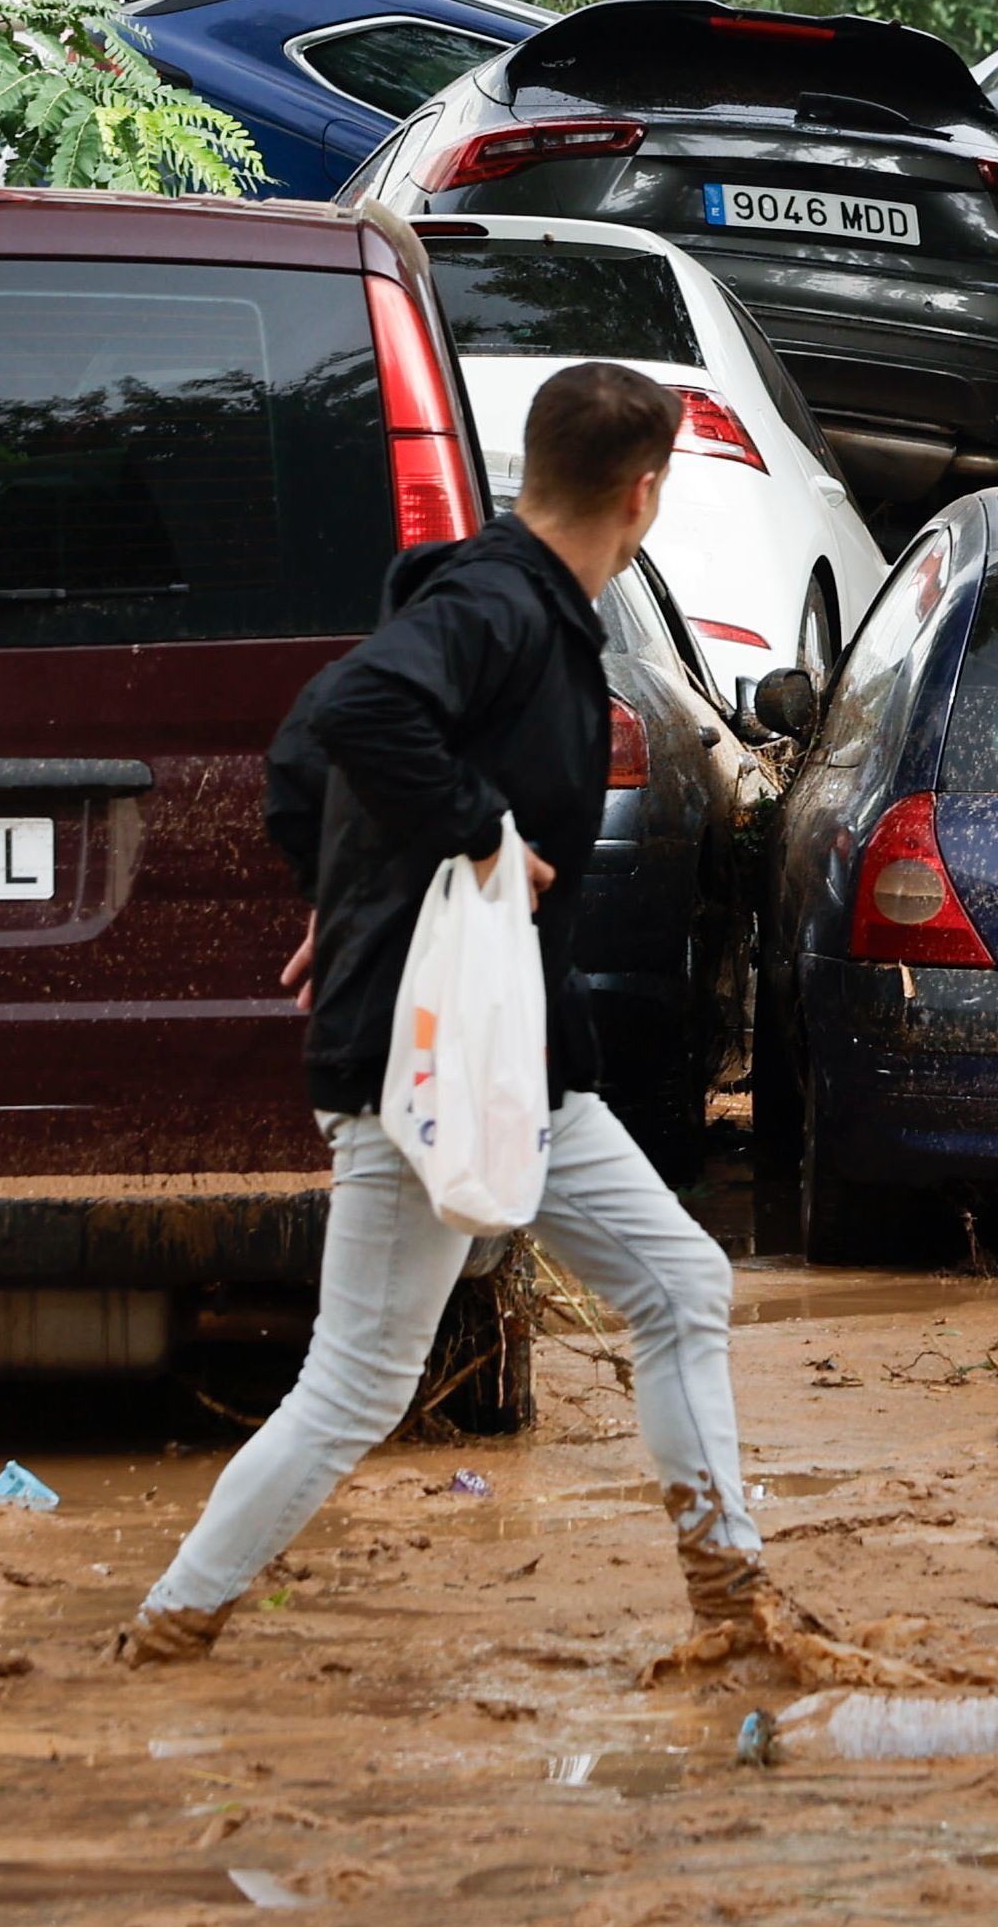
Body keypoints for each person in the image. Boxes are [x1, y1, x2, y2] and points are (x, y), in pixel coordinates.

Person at [115, 361, 867, 1689]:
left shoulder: (499, 597)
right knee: (354, 1383)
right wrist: (467, 839)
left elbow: (300, 752)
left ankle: (727, 1589)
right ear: (640, 493)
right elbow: (354, 712)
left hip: (507, 1056)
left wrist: (343, 900)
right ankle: (169, 1626)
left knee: (675, 1281)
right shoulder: (500, 606)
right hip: (428, 1062)